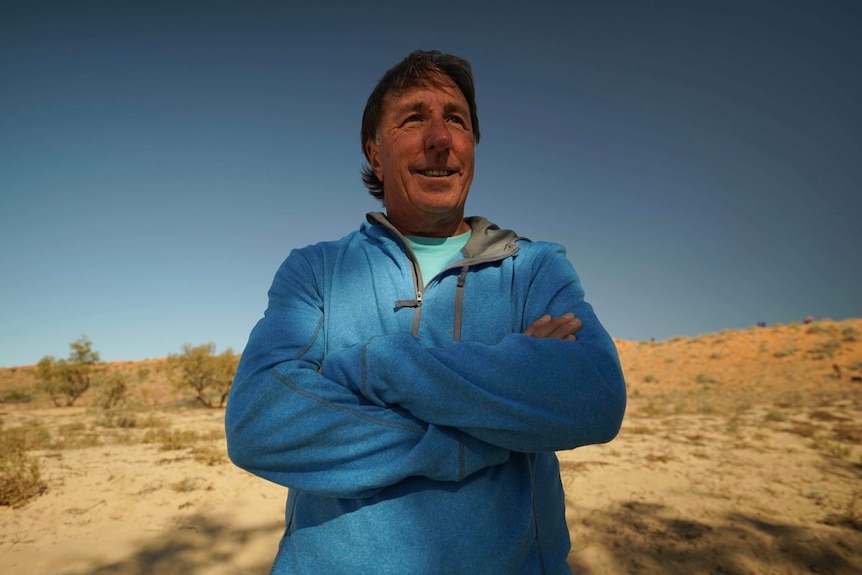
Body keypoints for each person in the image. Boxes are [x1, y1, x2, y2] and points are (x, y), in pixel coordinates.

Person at [225, 50, 626, 575]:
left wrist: (369, 367)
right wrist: (475, 435)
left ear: (472, 147)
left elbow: (594, 395)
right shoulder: (316, 270)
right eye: (414, 118)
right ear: (374, 152)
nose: (440, 138)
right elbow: (260, 420)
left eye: (455, 119)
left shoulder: (533, 268)